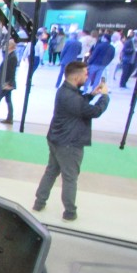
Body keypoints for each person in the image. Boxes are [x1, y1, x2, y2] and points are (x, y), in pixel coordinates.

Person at [33, 61, 110, 221]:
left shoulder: (65, 91)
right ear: (76, 77)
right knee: (70, 178)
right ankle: (69, 212)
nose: (87, 76)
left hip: (56, 139)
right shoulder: (71, 97)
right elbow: (94, 111)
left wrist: (91, 95)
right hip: (69, 144)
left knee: (51, 171)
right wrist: (104, 96)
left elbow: (79, 103)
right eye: (85, 74)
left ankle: (39, 202)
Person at [0, 40, 18, 124]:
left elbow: (11, 72)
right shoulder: (9, 55)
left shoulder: (12, 57)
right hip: (5, 83)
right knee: (8, 100)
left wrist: (8, 84)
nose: (5, 46)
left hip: (6, 84)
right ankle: (9, 118)